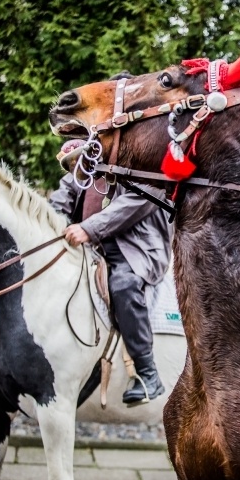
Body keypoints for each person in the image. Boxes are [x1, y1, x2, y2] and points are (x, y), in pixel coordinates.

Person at [50, 174, 172, 406]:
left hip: (136, 247)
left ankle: (148, 374)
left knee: (124, 284)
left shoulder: (144, 151)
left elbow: (142, 196)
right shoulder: (90, 158)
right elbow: (65, 193)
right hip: (93, 245)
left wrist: (89, 228)